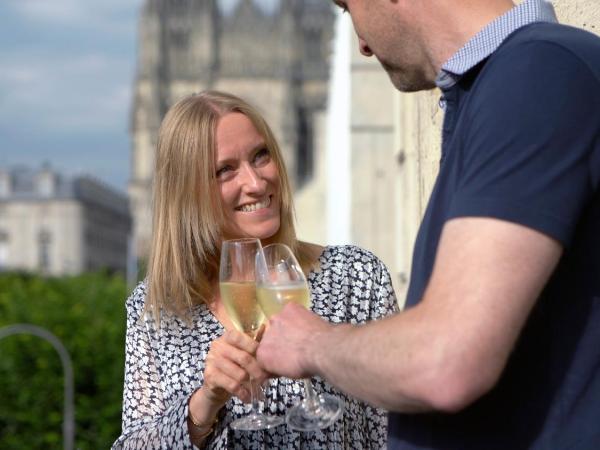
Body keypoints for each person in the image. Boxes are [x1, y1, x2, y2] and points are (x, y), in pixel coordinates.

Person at [257, 0, 600, 448]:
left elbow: (445, 363)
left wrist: (310, 344)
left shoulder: (536, 71)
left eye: (348, 9)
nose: (361, 44)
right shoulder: (509, 81)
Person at [111, 90, 398, 450]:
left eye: (260, 156)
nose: (256, 183)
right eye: (225, 170)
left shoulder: (356, 278)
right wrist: (204, 405)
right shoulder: (155, 309)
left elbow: (397, 428)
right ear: (186, 192)